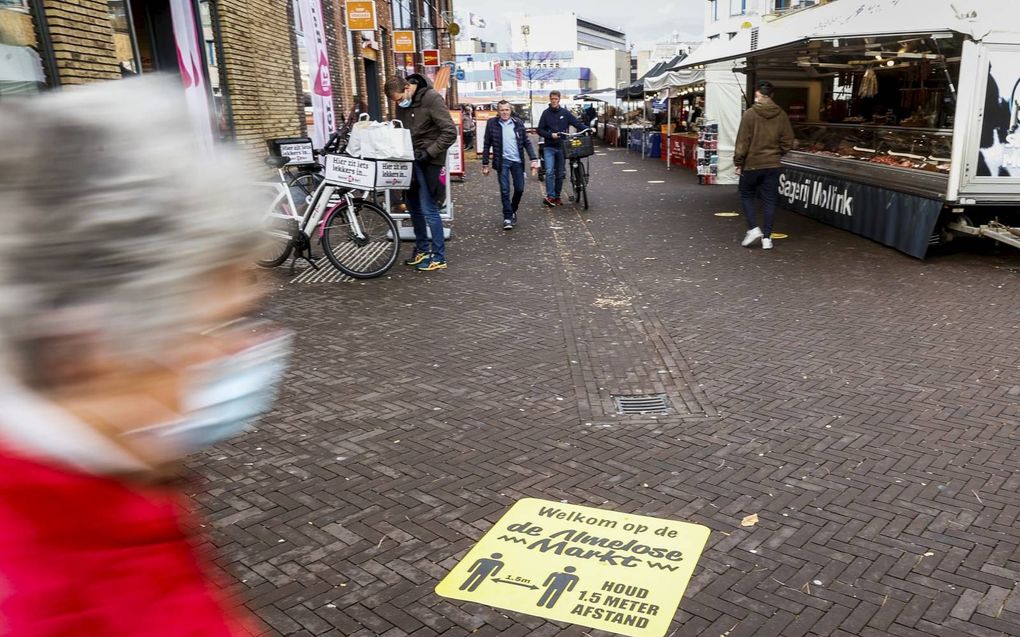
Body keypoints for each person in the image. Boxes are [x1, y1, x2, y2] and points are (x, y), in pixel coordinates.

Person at [0, 77, 289, 635]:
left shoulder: (110, 484)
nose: (243, 349)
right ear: (94, 347)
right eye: (215, 326)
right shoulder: (53, 583)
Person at [384, 73, 458, 271]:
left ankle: (439, 256)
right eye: (396, 102)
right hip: (411, 159)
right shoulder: (401, 102)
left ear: (407, 88)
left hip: (429, 161)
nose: (399, 104)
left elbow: (450, 132)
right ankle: (422, 249)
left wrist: (429, 152)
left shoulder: (432, 98)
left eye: (400, 99)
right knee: (413, 205)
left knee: (429, 208)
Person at [733, 81, 795, 250]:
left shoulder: (749, 114)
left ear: (757, 95)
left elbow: (742, 142)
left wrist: (738, 162)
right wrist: (777, 153)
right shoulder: (781, 114)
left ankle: (753, 228)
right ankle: (767, 238)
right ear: (772, 95)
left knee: (746, 195)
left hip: (752, 164)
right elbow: (788, 141)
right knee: (770, 200)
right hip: (773, 164)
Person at [481, 100, 540, 230]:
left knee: (519, 189)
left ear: (510, 110)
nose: (504, 112)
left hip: (517, 161)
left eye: (506, 110)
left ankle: (512, 209)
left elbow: (526, 142)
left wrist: (533, 158)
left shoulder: (518, 123)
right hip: (502, 162)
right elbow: (486, 145)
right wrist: (485, 163)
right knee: (505, 190)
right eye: (502, 110)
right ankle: (507, 217)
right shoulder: (492, 124)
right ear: (498, 111)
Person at [537, 90, 586, 206]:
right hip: (549, 147)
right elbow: (540, 130)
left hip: (562, 147)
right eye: (552, 99)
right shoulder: (545, 113)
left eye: (556, 99)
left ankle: (557, 197)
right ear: (550, 99)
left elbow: (576, 123)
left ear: (559, 99)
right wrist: (550, 135)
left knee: (560, 174)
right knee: (549, 172)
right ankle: (550, 196)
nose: (554, 101)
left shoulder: (565, 113)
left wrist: (588, 128)